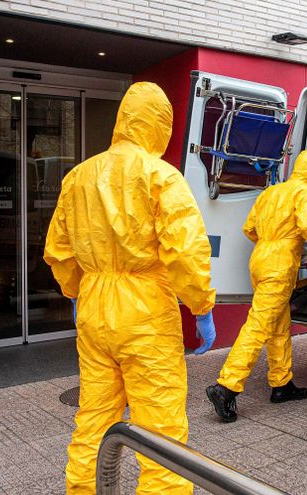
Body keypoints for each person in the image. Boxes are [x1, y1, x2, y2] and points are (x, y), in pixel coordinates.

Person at [44, 81, 217, 495]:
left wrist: (75, 292)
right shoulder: (161, 176)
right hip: (145, 311)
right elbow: (186, 250)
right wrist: (200, 306)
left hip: (94, 307)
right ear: (160, 125)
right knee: (160, 427)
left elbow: (59, 250)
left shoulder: (78, 176)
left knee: (94, 417)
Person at [206, 149, 307, 423]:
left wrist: (269, 242)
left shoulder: (271, 193)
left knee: (278, 325)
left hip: (260, 258)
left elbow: (249, 228)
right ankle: (226, 387)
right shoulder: (306, 193)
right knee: (259, 325)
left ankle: (281, 384)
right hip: (280, 263)